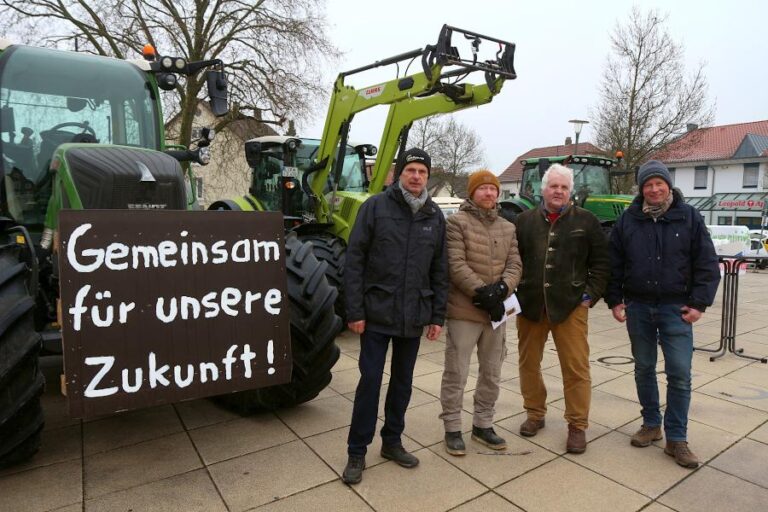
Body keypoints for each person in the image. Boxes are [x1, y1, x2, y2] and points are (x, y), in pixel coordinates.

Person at [342, 147, 448, 484]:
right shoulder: (375, 208)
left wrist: (436, 316)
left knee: (402, 383)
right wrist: (354, 310)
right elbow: (354, 260)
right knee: (370, 381)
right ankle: (356, 451)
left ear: (428, 177)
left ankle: (392, 441)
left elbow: (439, 270)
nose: (416, 176)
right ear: (399, 174)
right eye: (411, 170)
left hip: (413, 315)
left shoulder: (434, 216)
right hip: (375, 313)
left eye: (422, 172)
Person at [605, 160, 720, 469]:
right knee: (644, 369)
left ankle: (677, 438)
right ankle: (651, 424)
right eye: (648, 185)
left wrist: (699, 304)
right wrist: (615, 300)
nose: (654, 189)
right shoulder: (628, 220)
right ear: (641, 189)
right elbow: (613, 263)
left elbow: (707, 264)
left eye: (659, 183)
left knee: (680, 374)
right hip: (639, 308)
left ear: (669, 186)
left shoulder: (689, 217)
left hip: (676, 309)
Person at [514, 163, 609, 454]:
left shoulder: (588, 221)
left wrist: (588, 297)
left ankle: (577, 425)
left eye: (564, 187)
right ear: (543, 190)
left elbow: (602, 265)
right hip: (530, 306)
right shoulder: (524, 221)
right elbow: (512, 261)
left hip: (570, 307)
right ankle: (535, 413)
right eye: (553, 186)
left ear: (570, 191)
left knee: (576, 368)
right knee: (528, 364)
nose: (558, 191)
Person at [439, 170, 522, 455]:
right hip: (465, 311)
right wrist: (482, 293)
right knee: (456, 372)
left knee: (492, 371)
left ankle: (483, 424)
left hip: (497, 313)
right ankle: (452, 426)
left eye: (493, 189)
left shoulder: (508, 227)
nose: (489, 194)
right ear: (472, 193)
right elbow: (456, 264)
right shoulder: (456, 223)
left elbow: (515, 265)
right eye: (483, 189)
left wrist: (501, 290)